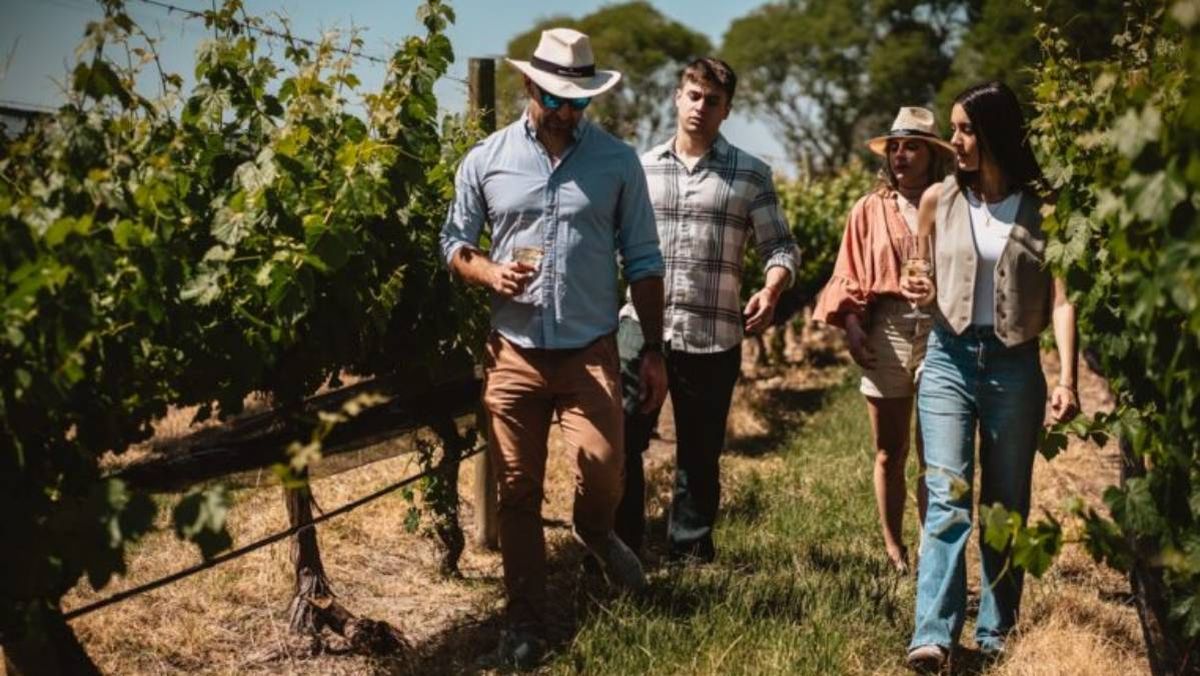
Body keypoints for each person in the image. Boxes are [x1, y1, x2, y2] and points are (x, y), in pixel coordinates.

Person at [439, 27, 668, 668]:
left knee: (605, 468)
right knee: (517, 490)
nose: (568, 113)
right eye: (557, 99)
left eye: (580, 102)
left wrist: (652, 349)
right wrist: (489, 272)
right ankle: (526, 622)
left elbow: (644, 260)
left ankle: (593, 530)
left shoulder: (617, 162)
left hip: (589, 348)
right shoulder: (486, 159)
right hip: (512, 350)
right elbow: (455, 240)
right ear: (527, 86)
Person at [900, 81, 1079, 672]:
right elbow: (919, 274)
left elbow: (1061, 300)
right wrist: (915, 287)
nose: (954, 141)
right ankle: (933, 634)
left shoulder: (1042, 208)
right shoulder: (937, 199)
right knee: (946, 496)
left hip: (1014, 365)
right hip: (949, 359)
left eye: (965, 129)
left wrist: (1067, 379)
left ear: (995, 132)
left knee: (1006, 504)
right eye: (954, 128)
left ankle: (996, 631)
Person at [615, 57, 798, 564]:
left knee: (698, 453)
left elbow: (780, 247)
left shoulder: (751, 173)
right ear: (677, 98)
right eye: (692, 96)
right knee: (622, 440)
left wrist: (772, 287)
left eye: (711, 101)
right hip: (639, 326)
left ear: (726, 110)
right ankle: (620, 550)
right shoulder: (640, 168)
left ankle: (689, 557)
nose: (700, 107)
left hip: (713, 331)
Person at [813, 107, 953, 574]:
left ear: (933, 154)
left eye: (911, 146)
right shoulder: (868, 210)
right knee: (890, 450)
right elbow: (847, 273)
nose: (900, 155)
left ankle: (933, 551)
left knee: (937, 455)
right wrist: (852, 326)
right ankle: (895, 549)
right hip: (887, 327)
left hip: (940, 327)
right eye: (894, 146)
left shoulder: (954, 203)